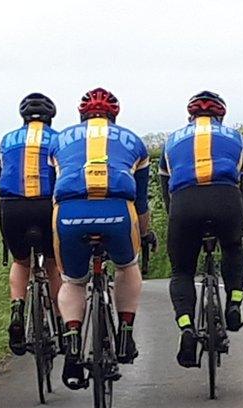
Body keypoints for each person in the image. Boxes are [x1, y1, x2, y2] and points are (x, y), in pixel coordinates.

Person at [50, 87, 153, 390]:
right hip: (118, 210)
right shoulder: (133, 140)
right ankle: (125, 333)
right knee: (126, 266)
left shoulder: (58, 141)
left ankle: (71, 343)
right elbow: (142, 202)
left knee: (73, 281)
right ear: (115, 115)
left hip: (69, 212)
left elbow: (50, 192)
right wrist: (144, 234)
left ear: (81, 116)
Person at [159, 91, 243, 367]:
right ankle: (234, 303)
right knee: (234, 248)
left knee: (182, 271)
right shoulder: (236, 138)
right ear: (221, 116)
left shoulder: (171, 141)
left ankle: (187, 326)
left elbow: (167, 192)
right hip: (226, 200)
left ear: (190, 116)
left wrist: (176, 223)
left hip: (185, 204)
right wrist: (241, 224)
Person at [0, 92, 62, 356]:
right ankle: (61, 322)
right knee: (53, 264)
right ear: (50, 117)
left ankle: (17, 311)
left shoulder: (6, 140)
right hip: (46, 203)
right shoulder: (58, 139)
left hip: (12, 207)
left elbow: (1, 177)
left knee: (21, 261)